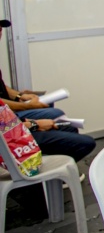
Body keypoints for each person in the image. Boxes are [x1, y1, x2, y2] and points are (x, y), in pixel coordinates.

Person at [0, 20, 95, 162]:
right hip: (8, 134)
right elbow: (4, 123)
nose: (0, 31)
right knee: (62, 121)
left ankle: (59, 165)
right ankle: (43, 170)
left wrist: (20, 96)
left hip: (8, 121)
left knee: (64, 124)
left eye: (0, 27)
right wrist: (33, 123)